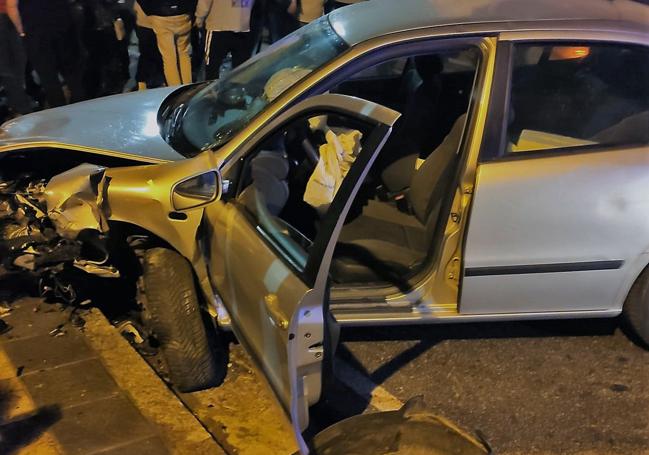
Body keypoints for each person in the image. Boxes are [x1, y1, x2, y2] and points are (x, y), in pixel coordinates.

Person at [7, 0, 86, 108]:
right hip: (63, 22)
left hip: (35, 29)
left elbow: (11, 6)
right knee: (72, 73)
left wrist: (21, 31)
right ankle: (82, 108)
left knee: (48, 77)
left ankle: (60, 113)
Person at [195, 0, 256, 80]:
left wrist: (199, 19)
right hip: (241, 26)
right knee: (240, 68)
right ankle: (239, 90)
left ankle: (211, 91)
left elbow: (205, 3)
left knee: (212, 67)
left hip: (217, 25)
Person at [138, 0, 194, 86]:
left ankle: (175, 89)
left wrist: (150, 12)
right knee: (184, 54)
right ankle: (188, 85)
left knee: (169, 58)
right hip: (183, 14)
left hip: (161, 16)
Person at [0, 0, 32, 116]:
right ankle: (22, 107)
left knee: (7, 68)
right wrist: (21, 32)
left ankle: (18, 105)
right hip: (7, 17)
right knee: (12, 67)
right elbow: (11, 5)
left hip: (7, 16)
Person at [134, 1, 164, 90]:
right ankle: (143, 82)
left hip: (146, 22)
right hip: (157, 21)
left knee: (146, 55)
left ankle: (142, 83)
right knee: (156, 55)